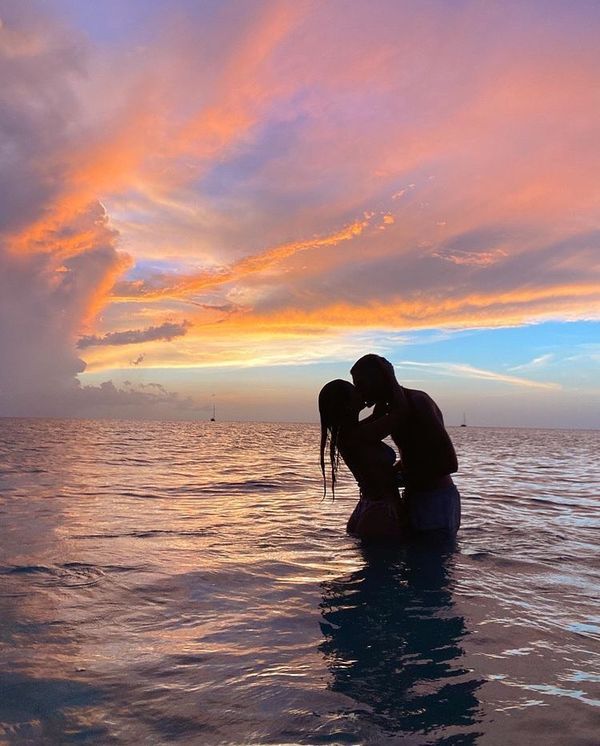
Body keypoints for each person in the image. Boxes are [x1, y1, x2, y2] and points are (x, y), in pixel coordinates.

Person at [350, 354, 461, 540]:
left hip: (434, 500)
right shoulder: (391, 410)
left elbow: (449, 463)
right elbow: (415, 454)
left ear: (378, 379)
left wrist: (394, 481)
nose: (358, 392)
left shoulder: (418, 402)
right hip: (414, 498)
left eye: (361, 384)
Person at [318, 379, 409, 540]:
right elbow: (401, 413)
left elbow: (378, 415)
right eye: (355, 391)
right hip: (380, 512)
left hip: (369, 508)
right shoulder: (359, 435)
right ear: (347, 405)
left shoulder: (348, 435)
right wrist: (389, 375)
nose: (361, 392)